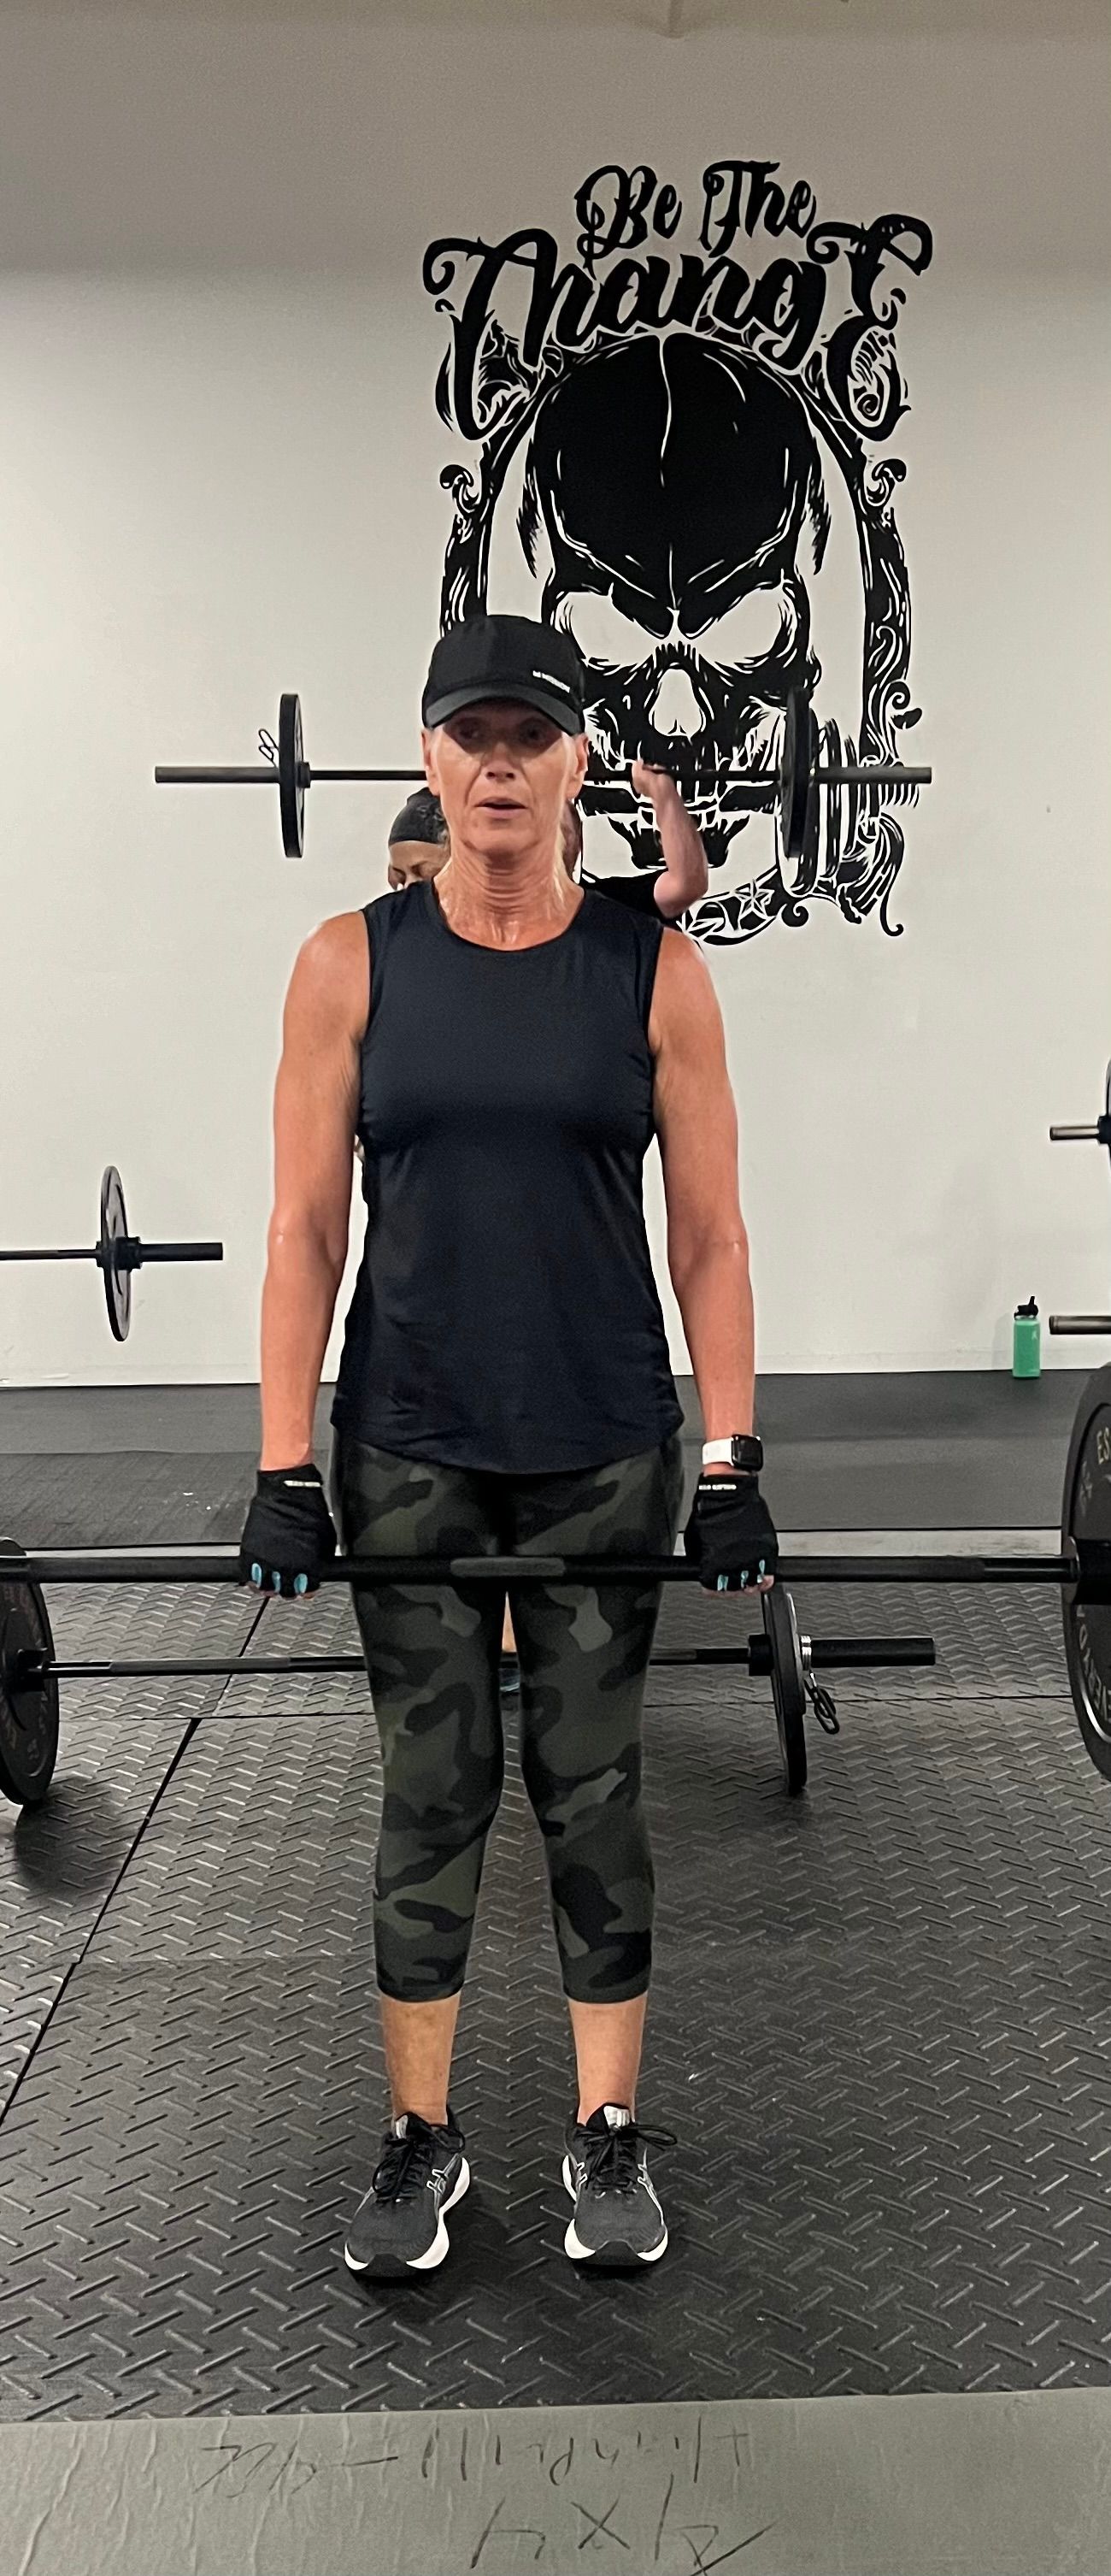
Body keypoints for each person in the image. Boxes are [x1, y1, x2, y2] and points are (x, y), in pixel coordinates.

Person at [239, 611, 777, 2282]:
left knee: (592, 1791)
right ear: (426, 758)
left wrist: (730, 1457)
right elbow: (301, 1229)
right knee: (432, 1790)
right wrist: (279, 1461)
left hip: (603, 1445)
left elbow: (708, 1239)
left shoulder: (650, 968)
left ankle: (605, 2134)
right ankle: (420, 2136)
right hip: (407, 1444)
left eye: (527, 738)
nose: (494, 764)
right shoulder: (349, 961)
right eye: (467, 735)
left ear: (571, 770)